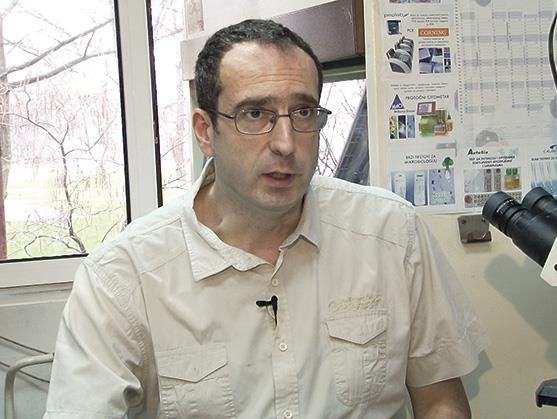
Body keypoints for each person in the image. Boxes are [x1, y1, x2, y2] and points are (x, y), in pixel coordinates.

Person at [44, 19, 488, 419]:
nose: (285, 144)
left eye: (303, 112)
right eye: (255, 114)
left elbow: (440, 401)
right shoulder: (123, 277)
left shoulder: (391, 233)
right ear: (205, 131)